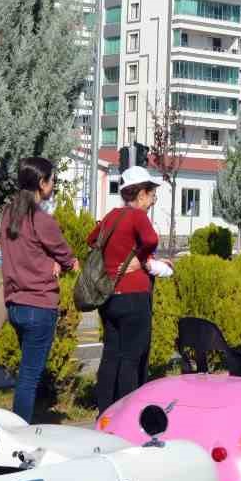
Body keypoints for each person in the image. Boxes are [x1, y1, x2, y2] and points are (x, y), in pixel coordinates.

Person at [0, 157, 78, 421]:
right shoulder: (41, 219)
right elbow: (67, 256)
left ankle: (19, 424)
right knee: (29, 378)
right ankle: (20, 432)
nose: (54, 184)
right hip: (39, 305)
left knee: (25, 374)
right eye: (52, 180)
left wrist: (50, 261)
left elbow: (27, 253)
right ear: (42, 184)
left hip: (15, 304)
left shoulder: (8, 215)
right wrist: (66, 263)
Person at [88, 166, 168, 413]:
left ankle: (105, 411)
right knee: (132, 358)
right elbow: (152, 240)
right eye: (152, 193)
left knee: (111, 354)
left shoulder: (112, 215)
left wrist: (115, 259)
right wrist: (142, 258)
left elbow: (92, 240)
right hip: (134, 296)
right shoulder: (137, 216)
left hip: (110, 297)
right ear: (141, 194)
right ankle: (128, 413)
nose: (153, 199)